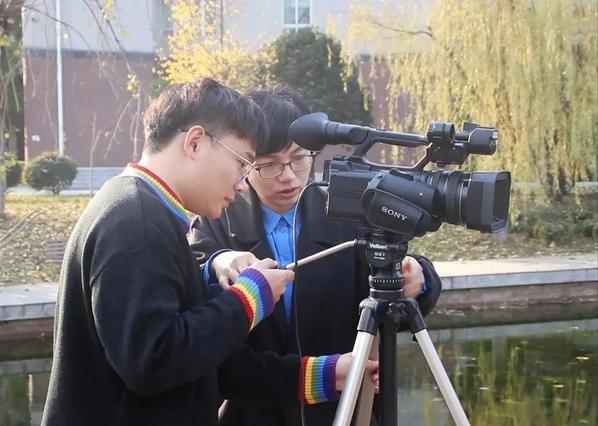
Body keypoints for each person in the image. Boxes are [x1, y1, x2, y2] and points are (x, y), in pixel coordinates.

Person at [41, 79, 378, 426]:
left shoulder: (142, 210)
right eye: (243, 162)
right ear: (195, 142)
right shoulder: (135, 222)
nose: (241, 182)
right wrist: (248, 300)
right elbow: (153, 361)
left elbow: (208, 361)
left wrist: (325, 374)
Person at [189, 86, 443, 426]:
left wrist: (419, 278)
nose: (288, 176)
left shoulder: (348, 213)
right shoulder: (216, 219)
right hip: (252, 412)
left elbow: (390, 301)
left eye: (299, 158)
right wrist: (220, 261)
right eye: (269, 165)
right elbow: (198, 312)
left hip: (343, 409)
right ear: (245, 163)